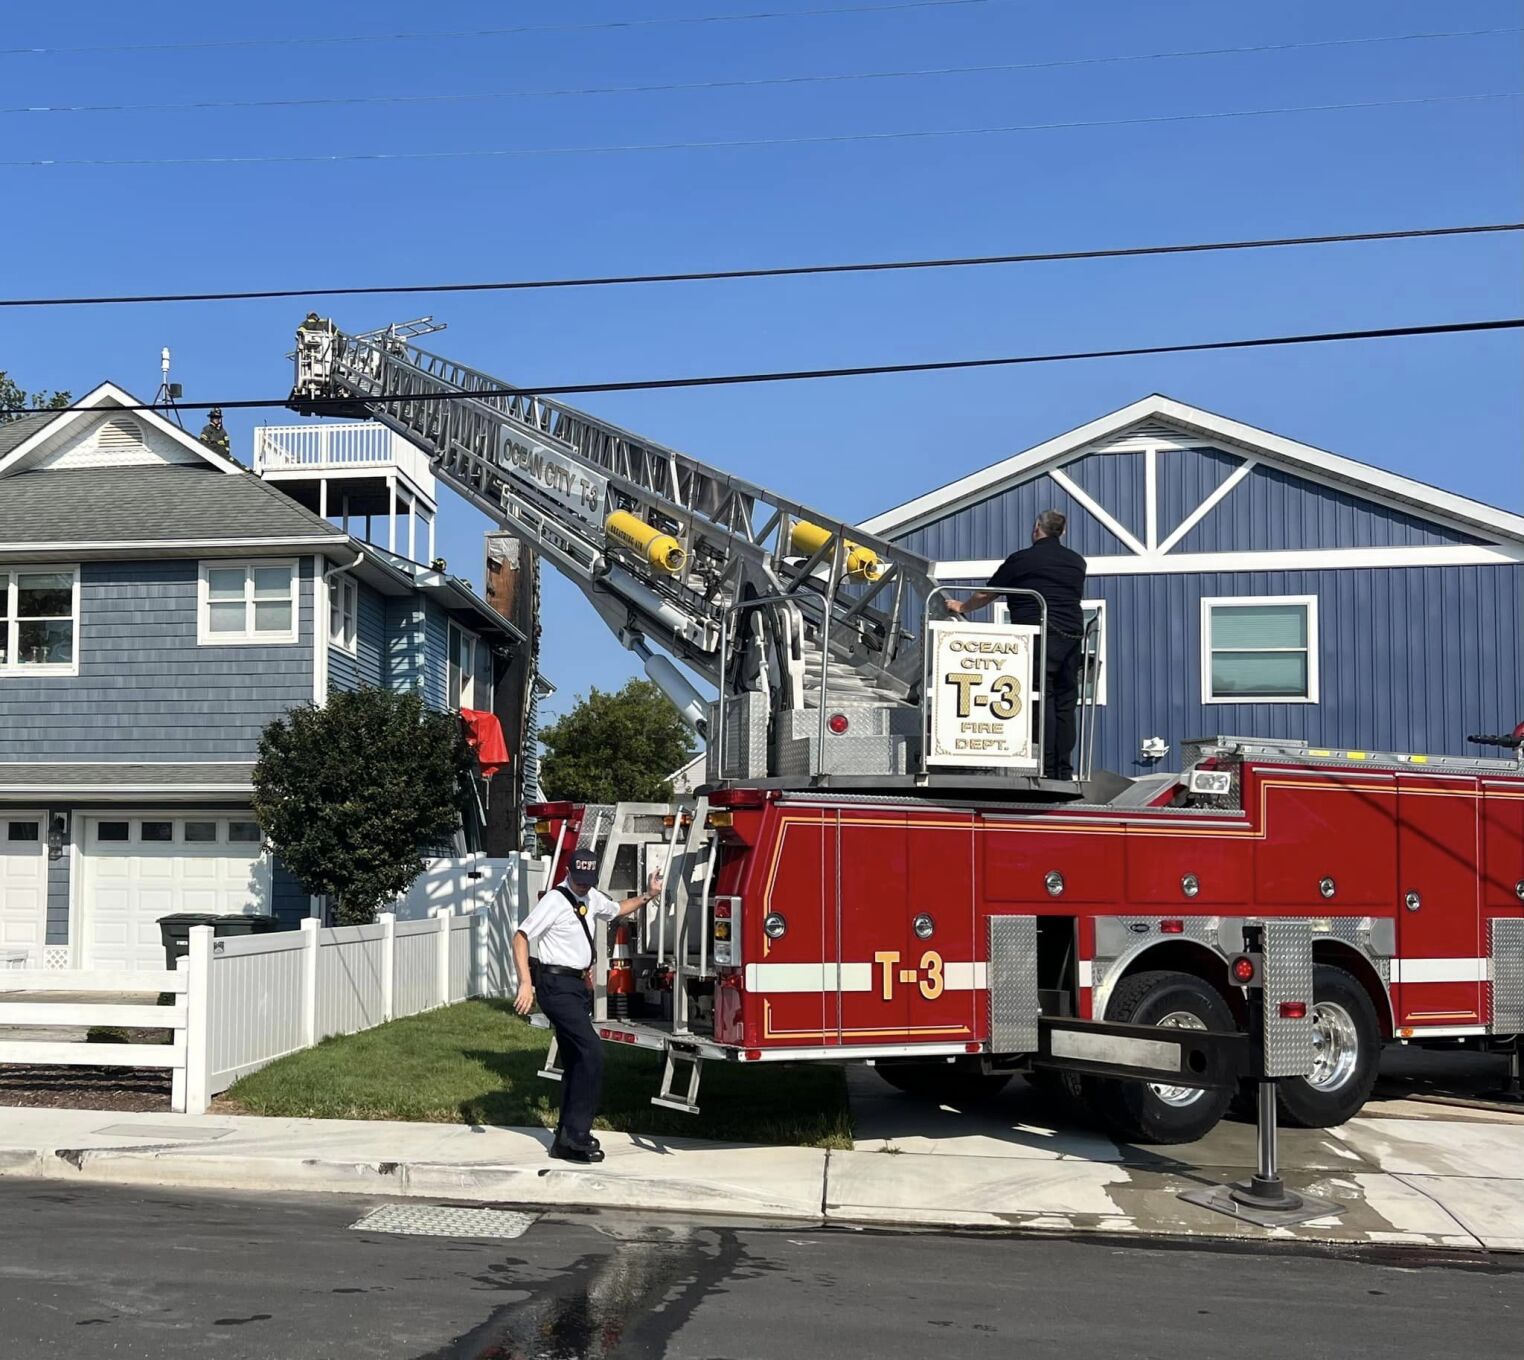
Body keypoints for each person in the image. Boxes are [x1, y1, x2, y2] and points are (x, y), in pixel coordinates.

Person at [512, 849, 662, 1163]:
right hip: (555, 986)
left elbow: (617, 908)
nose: (582, 886)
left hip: (577, 988)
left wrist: (649, 894)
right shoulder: (555, 900)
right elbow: (522, 936)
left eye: (587, 881)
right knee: (591, 1053)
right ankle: (577, 1134)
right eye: (578, 881)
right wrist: (526, 982)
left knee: (576, 1061)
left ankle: (566, 1140)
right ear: (569, 873)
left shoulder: (592, 897)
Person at [946, 508, 1088, 780]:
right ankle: (1063, 770)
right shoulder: (1077, 562)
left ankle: (1045, 768)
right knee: (1065, 704)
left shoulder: (1022, 560)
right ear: (1064, 531)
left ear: (1037, 528)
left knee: (1041, 698)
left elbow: (986, 593)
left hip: (1035, 637)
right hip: (1071, 639)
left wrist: (961, 606)